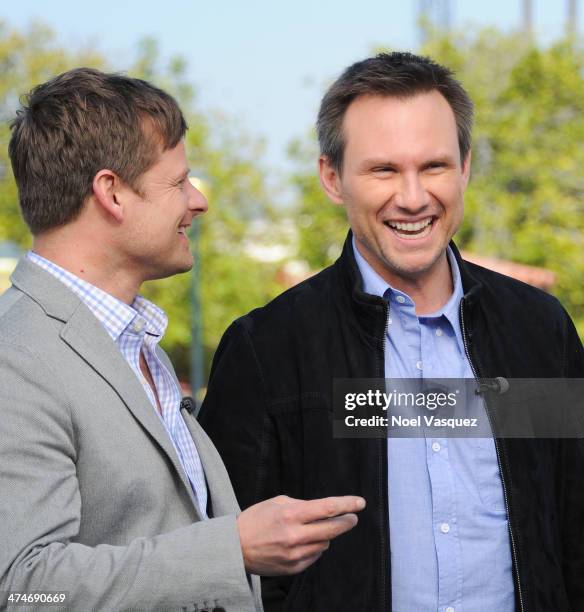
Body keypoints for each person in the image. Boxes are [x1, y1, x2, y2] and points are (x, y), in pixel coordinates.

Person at [199, 52, 584, 611]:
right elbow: (230, 567)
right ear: (332, 178)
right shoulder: (268, 350)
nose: (412, 197)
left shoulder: (539, 332)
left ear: (465, 167)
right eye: (383, 170)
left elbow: (572, 525)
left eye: (434, 167)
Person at [0, 68, 366, 612]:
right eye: (178, 182)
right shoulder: (17, 358)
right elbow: (26, 587)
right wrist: (233, 549)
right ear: (112, 194)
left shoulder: (131, 342)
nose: (198, 201)